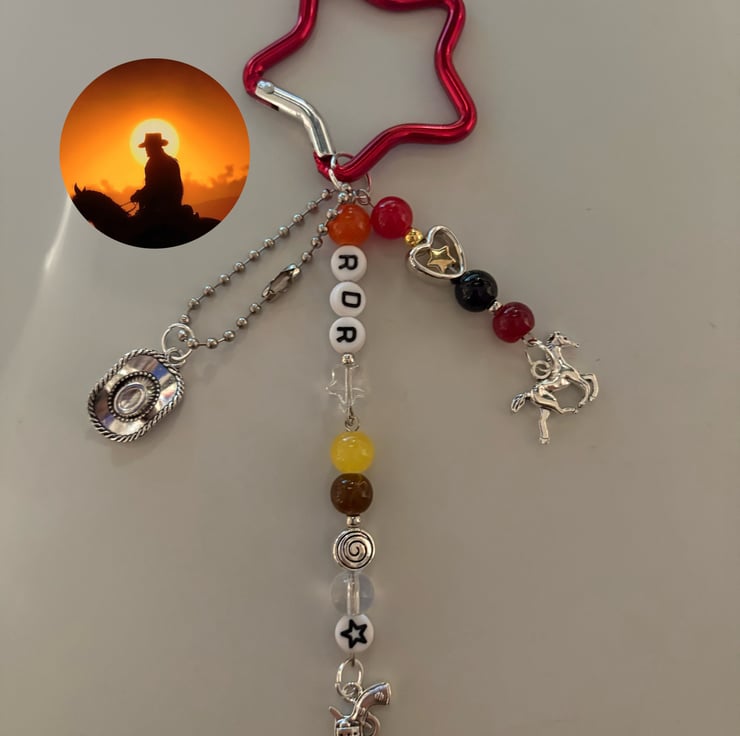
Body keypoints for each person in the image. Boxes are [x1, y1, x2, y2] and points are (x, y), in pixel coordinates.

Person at [130, 132, 183, 217]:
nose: (146, 149)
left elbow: (153, 187)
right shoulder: (171, 162)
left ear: (154, 147)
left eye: (148, 147)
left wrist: (140, 195)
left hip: (161, 207)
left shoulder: (152, 164)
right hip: (173, 204)